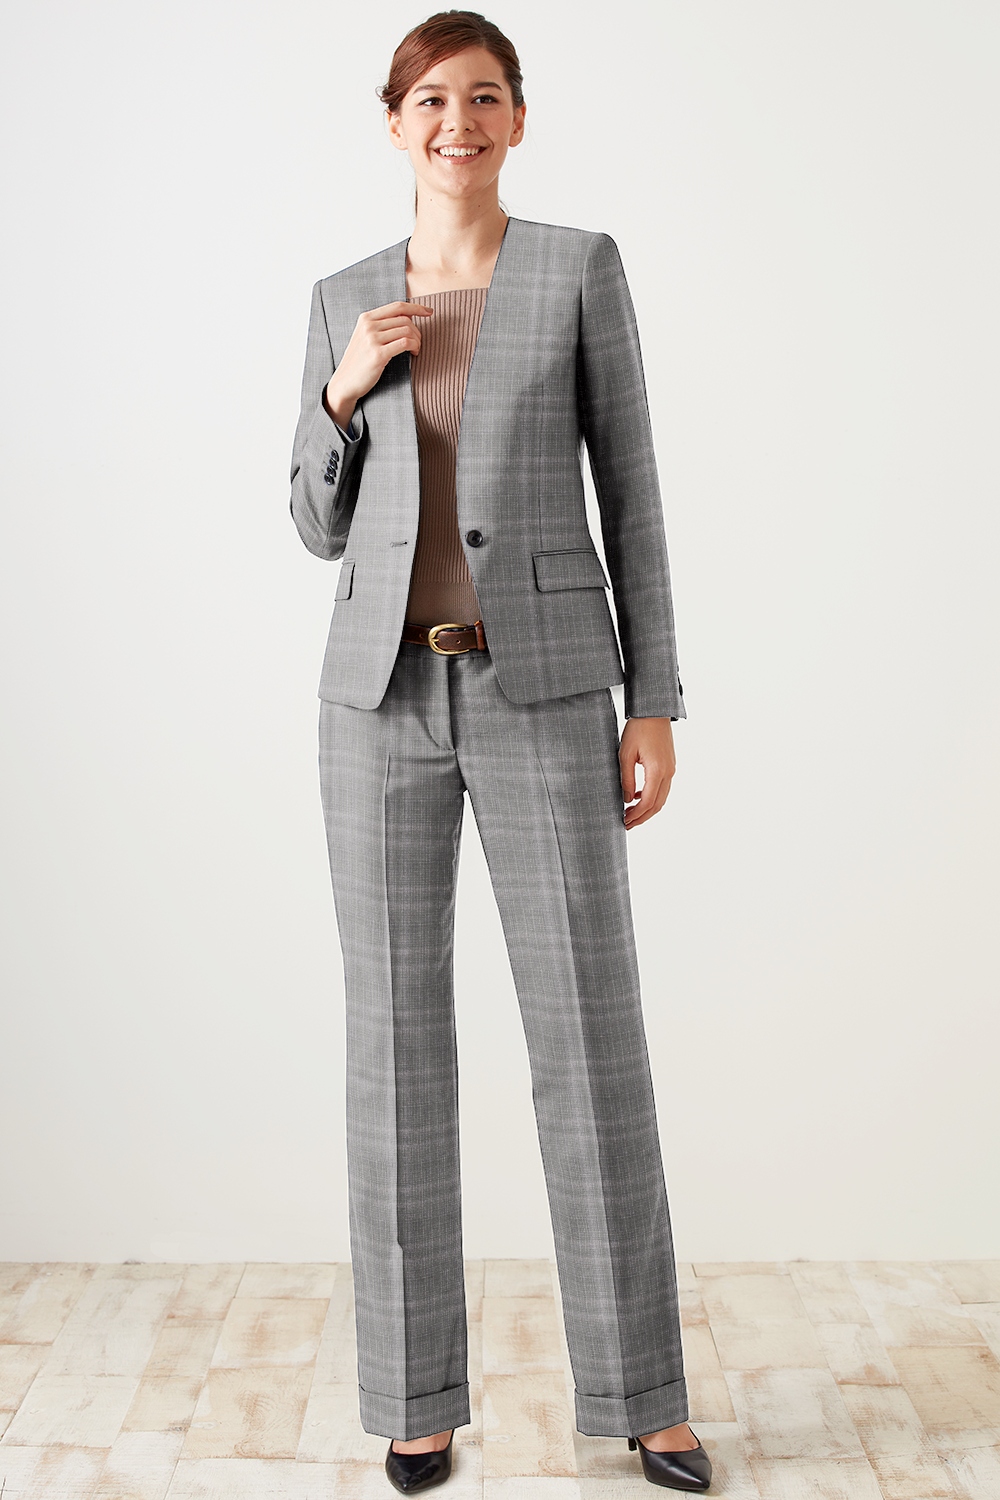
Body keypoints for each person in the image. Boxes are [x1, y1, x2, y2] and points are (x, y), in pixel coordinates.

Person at [289, 11, 711, 1494]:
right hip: (378, 707)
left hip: (545, 698)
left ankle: (645, 1395)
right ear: (393, 121)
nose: (455, 122)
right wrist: (343, 390)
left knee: (590, 1039)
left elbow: (634, 493)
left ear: (517, 119)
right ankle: (414, 1401)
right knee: (394, 1048)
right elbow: (313, 521)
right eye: (429, 99)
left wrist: (652, 698)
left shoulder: (579, 270)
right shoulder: (343, 296)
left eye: (482, 97)